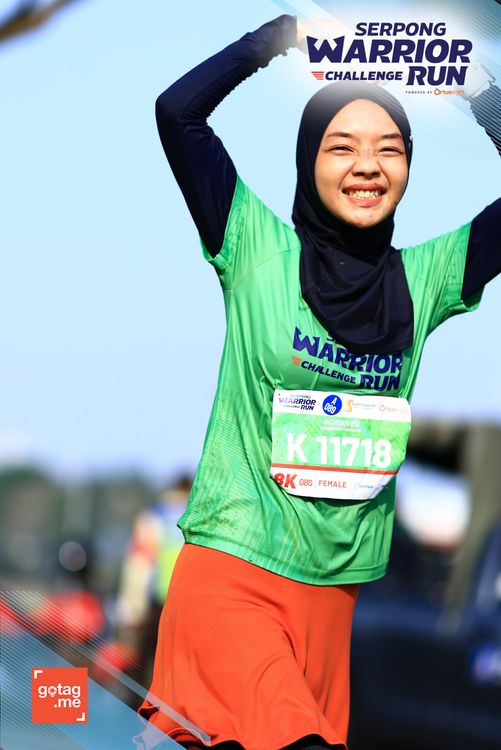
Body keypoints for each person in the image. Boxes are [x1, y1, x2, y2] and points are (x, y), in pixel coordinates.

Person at [138, 15, 501, 750]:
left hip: (333, 597)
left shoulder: (430, 278)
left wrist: (475, 88)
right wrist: (277, 39)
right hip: (234, 569)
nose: (367, 165)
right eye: (342, 146)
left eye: (389, 148)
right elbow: (177, 114)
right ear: (308, 160)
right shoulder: (251, 244)